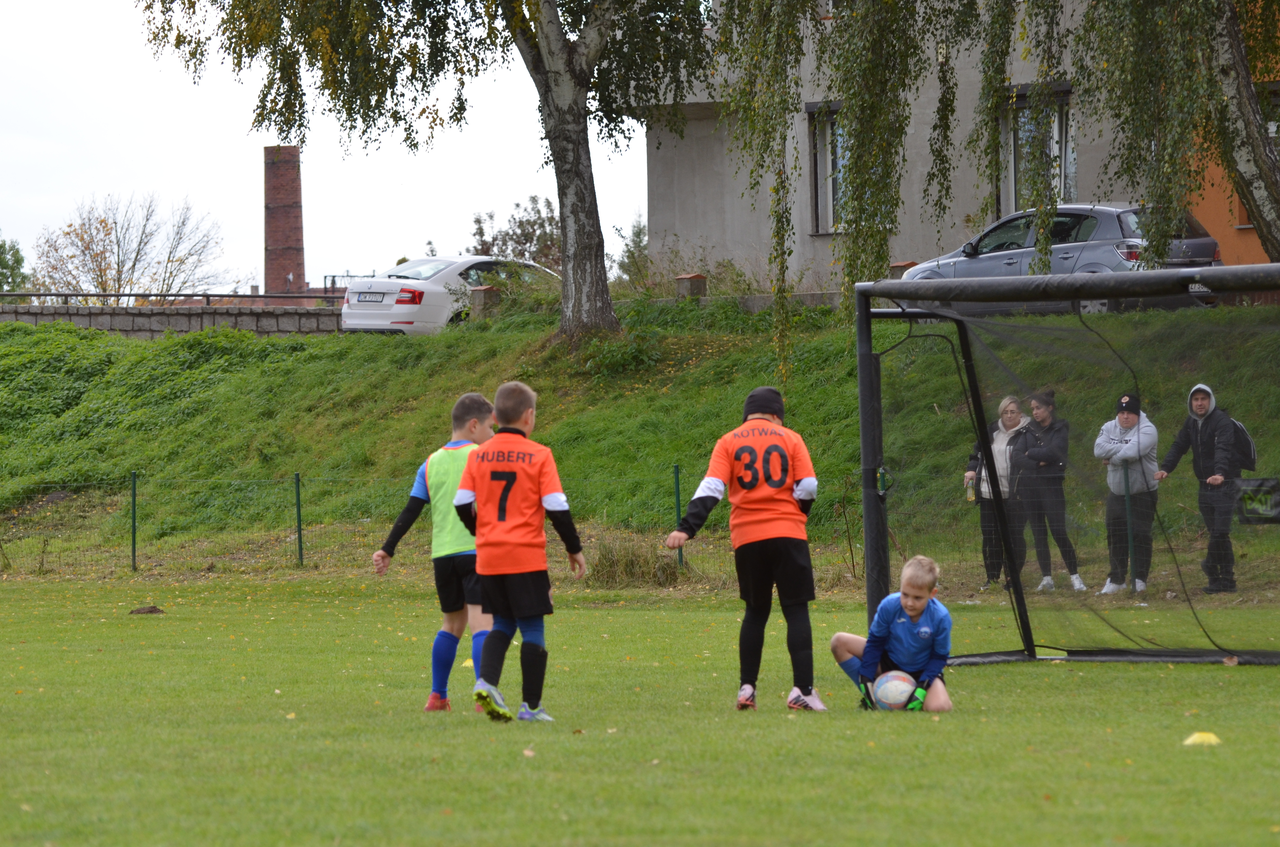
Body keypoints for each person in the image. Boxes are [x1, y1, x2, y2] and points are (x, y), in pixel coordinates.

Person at [665, 387, 824, 711]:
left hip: (747, 537)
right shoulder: (791, 438)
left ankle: (747, 689)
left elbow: (712, 487)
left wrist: (686, 527)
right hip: (787, 532)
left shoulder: (728, 441)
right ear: (777, 414)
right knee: (796, 611)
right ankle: (803, 691)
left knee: (755, 612)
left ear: (747, 415)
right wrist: (799, 512)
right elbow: (808, 486)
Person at [453, 381, 586, 722]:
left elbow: (462, 502)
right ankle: (531, 707)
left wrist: (480, 532)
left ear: (495, 418)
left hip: (489, 556)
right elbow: (556, 507)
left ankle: (486, 682)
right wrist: (574, 548)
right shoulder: (539, 455)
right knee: (532, 627)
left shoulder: (477, 454)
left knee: (501, 622)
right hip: (525, 556)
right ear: (529, 417)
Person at [372, 392, 496, 712]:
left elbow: (411, 510)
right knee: (482, 624)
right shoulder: (483, 457)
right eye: (489, 427)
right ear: (473, 425)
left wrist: (388, 548)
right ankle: (484, 696)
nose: (492, 434)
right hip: (477, 551)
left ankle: (437, 696)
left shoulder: (430, 463)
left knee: (451, 625)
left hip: (443, 557)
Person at [830, 555, 953, 713]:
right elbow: (875, 643)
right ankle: (872, 695)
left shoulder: (940, 617)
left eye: (917, 598)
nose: (909, 603)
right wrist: (866, 676)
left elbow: (939, 657)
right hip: (888, 664)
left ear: (932, 593)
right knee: (839, 641)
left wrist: (923, 686)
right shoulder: (889, 605)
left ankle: (915, 695)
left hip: (922, 670)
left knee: (939, 707)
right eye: (905, 594)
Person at [1154, 384, 1239, 594]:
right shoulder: (1191, 423)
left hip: (1225, 484)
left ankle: (1210, 565)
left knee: (1220, 532)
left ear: (1211, 401)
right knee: (1217, 533)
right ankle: (1223, 580)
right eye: (1196, 399)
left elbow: (1224, 448)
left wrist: (1220, 473)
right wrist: (1165, 468)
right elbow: (1179, 446)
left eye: (1203, 399)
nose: (1199, 403)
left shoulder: (1222, 421)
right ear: (1191, 403)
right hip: (1204, 485)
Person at [1014, 389, 1085, 592]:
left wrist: (1031, 453)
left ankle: (1075, 576)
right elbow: (1017, 456)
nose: (1035, 412)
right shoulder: (1028, 430)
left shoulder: (1059, 429)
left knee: (1058, 531)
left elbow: (1055, 452)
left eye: (1039, 408)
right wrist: (1038, 462)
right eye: (1032, 409)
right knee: (1038, 533)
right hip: (1029, 488)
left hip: (1051, 487)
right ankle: (1047, 578)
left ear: (1050, 408)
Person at [964, 396, 1033, 589]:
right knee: (990, 537)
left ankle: (1012, 578)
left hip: (1015, 495)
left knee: (1014, 537)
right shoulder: (991, 430)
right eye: (1005, 412)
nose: (1009, 416)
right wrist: (972, 469)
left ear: (1020, 413)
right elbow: (976, 454)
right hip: (988, 493)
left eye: (1012, 412)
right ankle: (991, 578)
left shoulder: (1028, 433)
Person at [1093, 391, 1159, 594]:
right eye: (1122, 413)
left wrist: (1110, 458)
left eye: (1130, 413)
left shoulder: (1148, 429)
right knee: (1115, 534)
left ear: (1137, 414)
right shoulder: (1108, 427)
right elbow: (1098, 450)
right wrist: (1120, 451)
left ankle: (1139, 579)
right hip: (1117, 492)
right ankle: (1116, 579)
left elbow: (1132, 453)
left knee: (1140, 534)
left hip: (1142, 491)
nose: (1125, 417)